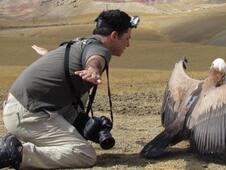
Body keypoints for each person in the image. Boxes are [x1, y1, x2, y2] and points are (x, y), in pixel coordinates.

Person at [0, 9, 139, 169]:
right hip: (27, 113)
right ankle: (16, 153)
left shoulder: (80, 43)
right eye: (127, 38)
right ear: (114, 35)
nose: (128, 44)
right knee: (84, 154)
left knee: (82, 93)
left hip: (21, 107)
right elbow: (96, 59)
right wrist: (93, 70)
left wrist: (49, 55)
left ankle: (67, 128)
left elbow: (67, 67)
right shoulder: (101, 50)